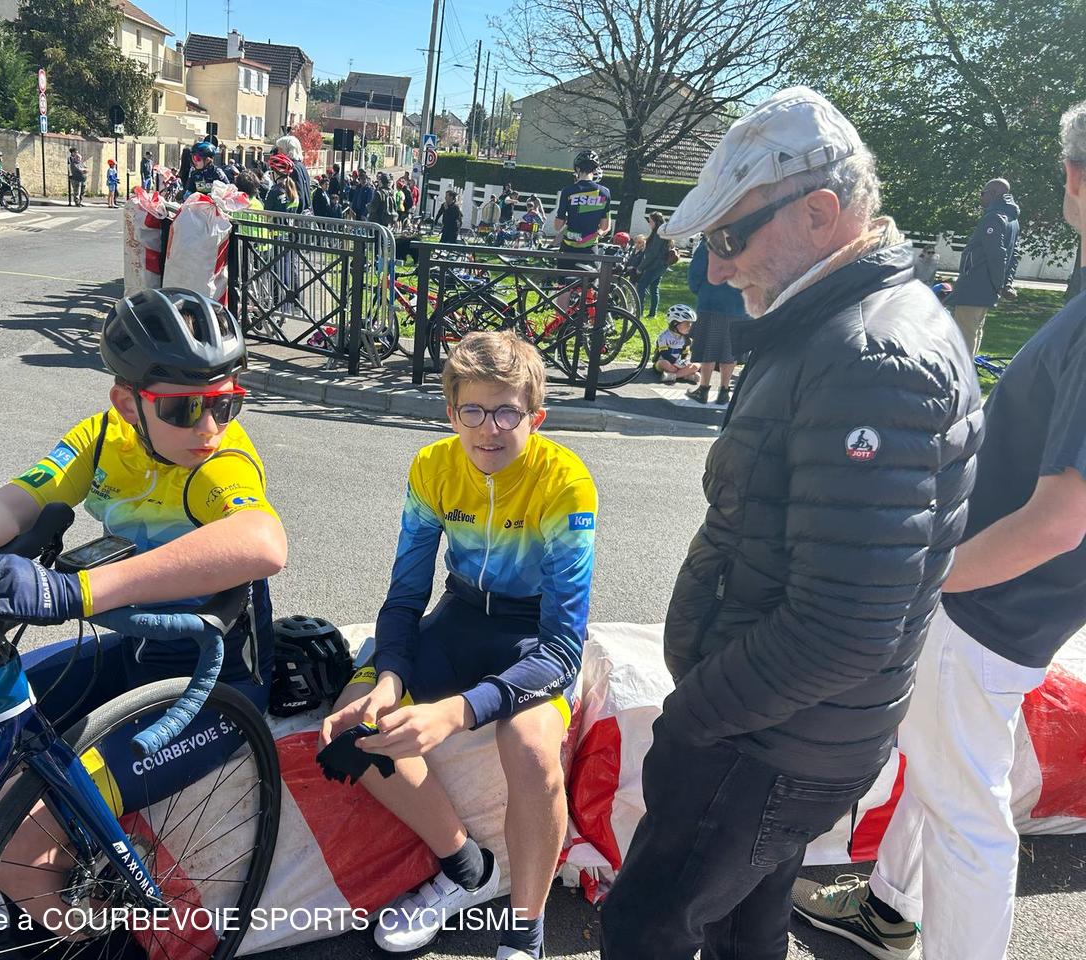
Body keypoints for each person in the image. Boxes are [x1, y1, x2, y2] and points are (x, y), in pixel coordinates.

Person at [598, 86, 981, 960]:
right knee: (744, 927)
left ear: (820, 212)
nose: (716, 268)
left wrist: (694, 715)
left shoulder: (867, 355)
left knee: (646, 927)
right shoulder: (846, 326)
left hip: (766, 739)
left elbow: (845, 624)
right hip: (788, 728)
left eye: (730, 237)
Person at [0, 288, 286, 931]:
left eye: (226, 401)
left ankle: (69, 920)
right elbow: (16, 500)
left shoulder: (222, 463)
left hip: (213, 682)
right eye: (184, 407)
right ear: (127, 403)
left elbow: (264, 544)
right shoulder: (102, 438)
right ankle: (30, 886)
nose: (209, 427)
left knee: (21, 812)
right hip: (133, 652)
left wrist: (77, 592)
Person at [790, 97, 1086, 960]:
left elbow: (1059, 520)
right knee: (946, 766)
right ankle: (889, 906)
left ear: (1074, 179)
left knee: (968, 811)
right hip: (1018, 606)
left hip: (987, 601)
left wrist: (928, 576)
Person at [321, 329, 597, 960]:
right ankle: (465, 866)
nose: (488, 430)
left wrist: (458, 712)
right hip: (459, 615)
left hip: (531, 636)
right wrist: (389, 676)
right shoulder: (432, 466)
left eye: (507, 413)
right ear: (451, 414)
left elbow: (562, 647)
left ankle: (525, 932)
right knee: (351, 725)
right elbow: (404, 596)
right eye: (473, 411)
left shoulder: (566, 482)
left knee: (531, 748)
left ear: (535, 418)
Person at [947, 178, 1021, 354]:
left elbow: (997, 254)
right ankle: (968, 366)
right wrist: (1005, 283)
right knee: (975, 330)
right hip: (986, 288)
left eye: (983, 193)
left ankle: (962, 369)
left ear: (994, 193)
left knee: (964, 333)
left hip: (975, 285)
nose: (981, 197)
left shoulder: (994, 218)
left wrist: (1000, 284)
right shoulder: (1012, 220)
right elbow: (1014, 255)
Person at [684, 236, 744, 404]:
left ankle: (703, 389)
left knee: (708, 346)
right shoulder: (748, 240)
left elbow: (696, 271)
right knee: (730, 349)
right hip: (739, 302)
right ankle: (724, 391)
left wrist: (699, 290)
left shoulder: (710, 241)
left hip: (712, 300)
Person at [553, 150, 612, 313]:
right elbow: (605, 226)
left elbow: (558, 226)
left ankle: (560, 322)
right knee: (590, 288)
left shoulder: (568, 191)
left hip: (568, 247)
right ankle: (587, 321)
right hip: (590, 248)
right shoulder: (604, 192)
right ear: (595, 169)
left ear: (577, 169)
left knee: (563, 287)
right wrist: (597, 233)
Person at [652, 304, 701, 384]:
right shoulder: (664, 336)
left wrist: (685, 362)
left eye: (691, 324)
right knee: (664, 363)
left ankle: (673, 376)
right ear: (675, 323)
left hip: (679, 363)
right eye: (687, 324)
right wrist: (677, 364)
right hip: (665, 362)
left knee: (697, 365)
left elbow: (685, 354)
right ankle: (685, 375)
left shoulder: (687, 339)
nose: (690, 326)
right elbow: (664, 354)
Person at [274, 135, 312, 213]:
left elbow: (298, 195)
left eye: (280, 149)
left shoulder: (292, 169)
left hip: (298, 215)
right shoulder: (301, 166)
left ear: (287, 150)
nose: (278, 152)